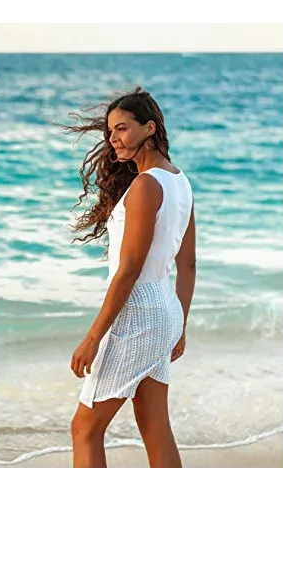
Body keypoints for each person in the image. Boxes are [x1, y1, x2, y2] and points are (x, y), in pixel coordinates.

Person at [58, 86, 196, 467]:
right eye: (110, 132)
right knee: (155, 426)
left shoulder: (146, 185)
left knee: (85, 428)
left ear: (149, 128)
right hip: (165, 309)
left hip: (137, 314)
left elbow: (129, 270)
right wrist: (180, 323)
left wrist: (92, 338)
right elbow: (187, 265)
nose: (113, 139)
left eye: (121, 128)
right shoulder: (181, 182)